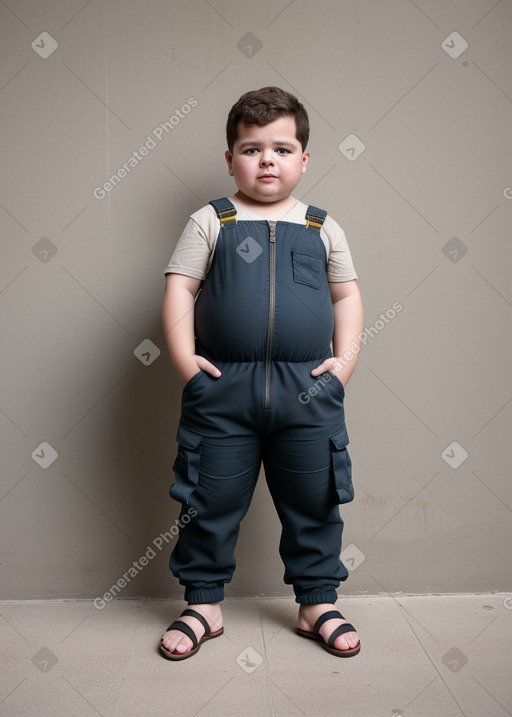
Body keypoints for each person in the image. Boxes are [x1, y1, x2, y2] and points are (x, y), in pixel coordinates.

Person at [160, 87, 364, 660]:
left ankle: (316, 601)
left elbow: (347, 298)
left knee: (314, 496)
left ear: (303, 159)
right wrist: (187, 368)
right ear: (230, 160)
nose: (266, 160)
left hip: (309, 391)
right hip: (223, 391)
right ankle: (203, 603)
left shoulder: (323, 227)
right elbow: (179, 288)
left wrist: (342, 367)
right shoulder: (211, 221)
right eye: (251, 149)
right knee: (208, 497)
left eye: (281, 148)